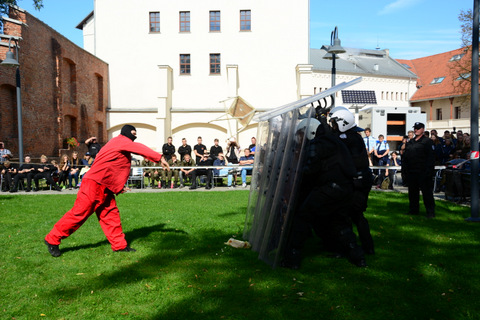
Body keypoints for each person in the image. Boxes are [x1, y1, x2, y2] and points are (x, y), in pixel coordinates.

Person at [44, 124, 169, 257]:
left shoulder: (117, 145)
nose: (135, 135)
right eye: (133, 132)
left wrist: (118, 187)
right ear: (126, 132)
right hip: (94, 185)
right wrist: (159, 157)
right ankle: (52, 239)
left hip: (105, 187)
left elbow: (112, 167)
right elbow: (138, 147)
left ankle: (119, 245)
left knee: (111, 215)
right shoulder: (121, 140)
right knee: (79, 214)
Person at [282, 115, 366, 269]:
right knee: (340, 223)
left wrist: (295, 174)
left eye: (302, 133)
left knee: (303, 217)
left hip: (329, 188)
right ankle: (358, 257)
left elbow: (311, 169)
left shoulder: (317, 144)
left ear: (310, 131)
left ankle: (292, 258)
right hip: (346, 189)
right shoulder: (334, 141)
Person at [329, 107, 375, 255]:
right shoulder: (353, 136)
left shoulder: (348, 138)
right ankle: (365, 247)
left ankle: (352, 247)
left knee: (351, 214)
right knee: (354, 214)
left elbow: (334, 139)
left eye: (335, 123)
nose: (333, 127)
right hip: (361, 180)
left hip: (358, 182)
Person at [403, 122, 435, 218]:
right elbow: (405, 158)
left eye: (418, 128)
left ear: (423, 130)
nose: (416, 130)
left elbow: (431, 158)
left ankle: (430, 212)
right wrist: (404, 171)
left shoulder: (427, 142)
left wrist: (429, 171)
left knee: (427, 193)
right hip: (412, 172)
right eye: (415, 128)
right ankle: (413, 210)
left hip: (423, 172)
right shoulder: (410, 142)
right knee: (412, 193)